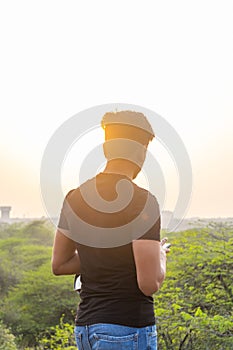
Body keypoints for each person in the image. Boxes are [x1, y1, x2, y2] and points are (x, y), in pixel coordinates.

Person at [52, 110, 169, 350]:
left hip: (86, 328)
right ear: (141, 151)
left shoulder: (74, 197)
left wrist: (106, 256)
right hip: (126, 329)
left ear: (106, 148)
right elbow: (149, 284)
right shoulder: (142, 201)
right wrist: (160, 256)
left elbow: (60, 264)